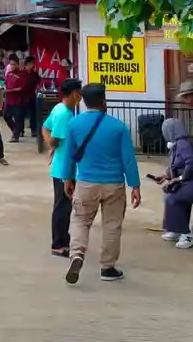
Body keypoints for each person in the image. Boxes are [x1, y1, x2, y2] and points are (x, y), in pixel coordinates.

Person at [62, 83, 141, 285]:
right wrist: (135, 186)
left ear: (84, 101)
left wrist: (67, 178)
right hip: (114, 184)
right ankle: (107, 268)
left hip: (86, 182)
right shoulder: (118, 127)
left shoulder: (74, 124)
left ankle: (77, 254)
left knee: (80, 220)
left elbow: (69, 156)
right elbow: (129, 159)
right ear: (104, 101)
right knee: (112, 225)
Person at [155, 118, 193, 249]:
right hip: (191, 181)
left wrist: (179, 179)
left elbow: (192, 165)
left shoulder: (183, 144)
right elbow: (176, 166)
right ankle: (175, 229)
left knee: (174, 197)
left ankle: (187, 235)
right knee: (170, 194)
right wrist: (167, 176)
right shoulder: (177, 145)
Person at [43, 78, 82, 257]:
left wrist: (52, 147)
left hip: (61, 165)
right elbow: (54, 137)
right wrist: (53, 145)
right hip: (64, 168)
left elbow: (45, 127)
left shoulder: (58, 108)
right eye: (80, 93)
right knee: (63, 206)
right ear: (74, 94)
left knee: (63, 205)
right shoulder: (65, 114)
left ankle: (62, 240)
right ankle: (58, 243)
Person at [2, 55, 27, 141]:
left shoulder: (23, 74)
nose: (11, 66)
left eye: (13, 64)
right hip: (9, 100)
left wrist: (10, 90)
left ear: (17, 64)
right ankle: (15, 130)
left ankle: (15, 136)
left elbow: (21, 88)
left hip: (18, 100)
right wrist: (5, 88)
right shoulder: (8, 74)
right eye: (10, 64)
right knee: (6, 116)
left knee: (18, 118)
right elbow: (5, 83)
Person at [21, 55, 42, 138]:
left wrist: (38, 90)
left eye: (33, 64)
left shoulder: (34, 74)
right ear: (27, 64)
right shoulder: (22, 73)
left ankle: (34, 131)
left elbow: (38, 83)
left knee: (33, 114)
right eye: (31, 63)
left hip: (32, 96)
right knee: (21, 114)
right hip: (22, 96)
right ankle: (20, 130)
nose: (32, 65)